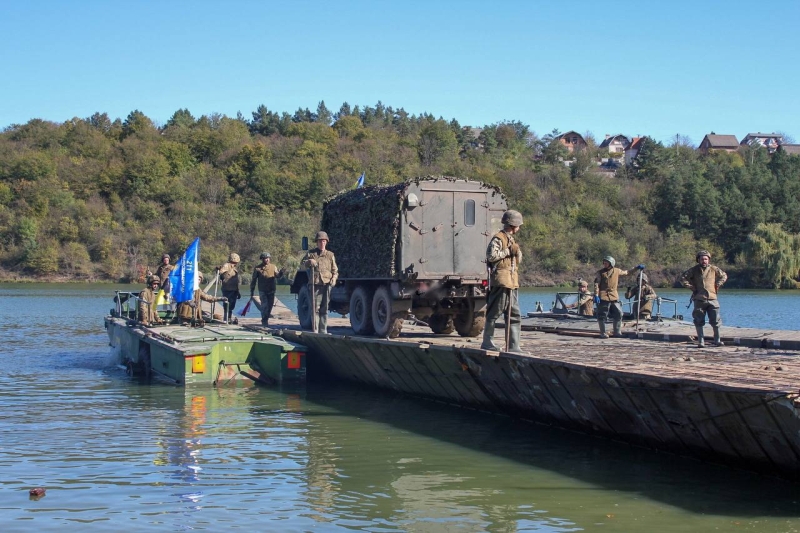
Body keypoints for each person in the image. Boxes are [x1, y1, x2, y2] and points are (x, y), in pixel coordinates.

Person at [481, 209, 523, 352]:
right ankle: (487, 342)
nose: (519, 228)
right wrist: (508, 251)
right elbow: (491, 256)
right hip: (501, 280)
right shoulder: (499, 238)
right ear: (513, 225)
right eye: (518, 225)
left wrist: (516, 252)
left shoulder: (511, 239)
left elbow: (518, 259)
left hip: (512, 281)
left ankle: (513, 346)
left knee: (515, 314)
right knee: (494, 312)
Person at [680, 250, 727, 347]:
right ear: (698, 260)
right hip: (699, 298)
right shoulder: (694, 270)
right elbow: (682, 278)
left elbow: (724, 276)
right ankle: (701, 341)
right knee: (698, 320)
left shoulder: (714, 269)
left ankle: (717, 340)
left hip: (712, 298)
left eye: (706, 259)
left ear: (708, 260)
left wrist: (718, 284)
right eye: (702, 259)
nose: (704, 261)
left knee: (716, 321)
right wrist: (690, 287)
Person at [302, 231, 338, 334]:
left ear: (326, 242)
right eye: (320, 241)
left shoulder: (330, 255)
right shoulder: (311, 254)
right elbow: (303, 265)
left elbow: (335, 270)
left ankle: (323, 330)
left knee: (324, 308)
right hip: (315, 284)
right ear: (317, 242)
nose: (322, 243)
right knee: (315, 309)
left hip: (327, 285)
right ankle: (315, 330)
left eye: (324, 241)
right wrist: (309, 262)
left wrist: (334, 279)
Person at [594, 256, 639, 338]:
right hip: (603, 296)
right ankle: (603, 333)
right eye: (604, 263)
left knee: (619, 313)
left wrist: (636, 268)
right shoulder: (600, 273)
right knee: (602, 315)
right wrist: (596, 295)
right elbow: (596, 284)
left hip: (614, 296)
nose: (605, 264)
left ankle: (617, 332)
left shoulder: (617, 271)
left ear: (611, 263)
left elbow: (627, 272)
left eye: (606, 263)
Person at [250, 252, 283, 326]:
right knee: (264, 306)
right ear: (262, 259)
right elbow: (253, 281)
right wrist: (252, 291)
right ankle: (264, 321)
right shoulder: (258, 268)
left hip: (271, 289)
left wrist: (281, 273)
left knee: (270, 306)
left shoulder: (273, 267)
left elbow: (277, 276)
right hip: (263, 290)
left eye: (268, 258)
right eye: (265, 258)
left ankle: (266, 319)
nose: (267, 260)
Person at [217, 253, 241, 324]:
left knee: (232, 306)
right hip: (227, 289)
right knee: (227, 304)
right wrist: (220, 270)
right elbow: (220, 272)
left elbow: (236, 281)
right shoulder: (227, 265)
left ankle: (229, 318)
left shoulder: (234, 269)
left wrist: (238, 292)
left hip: (234, 289)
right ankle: (226, 319)